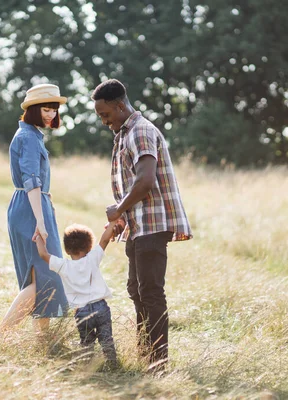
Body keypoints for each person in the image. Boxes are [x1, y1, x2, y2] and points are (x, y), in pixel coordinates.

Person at [91, 79, 193, 372]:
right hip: (139, 226)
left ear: (120, 106)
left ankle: (158, 364)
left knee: (150, 292)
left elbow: (145, 181)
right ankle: (146, 353)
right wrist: (124, 215)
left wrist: (118, 208)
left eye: (105, 114)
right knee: (136, 290)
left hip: (152, 225)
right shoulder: (125, 133)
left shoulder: (141, 131)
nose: (103, 120)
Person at [0, 83, 69, 342]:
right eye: (46, 109)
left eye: (54, 110)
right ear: (32, 109)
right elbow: (32, 180)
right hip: (31, 209)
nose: (51, 115)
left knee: (41, 275)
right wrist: (41, 221)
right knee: (44, 275)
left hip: (31, 205)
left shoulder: (30, 135)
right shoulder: (29, 138)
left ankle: (42, 340)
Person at [34, 221, 119, 368]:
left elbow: (43, 253)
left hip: (81, 312)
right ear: (89, 246)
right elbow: (105, 239)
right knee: (107, 339)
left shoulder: (62, 265)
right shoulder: (92, 259)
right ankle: (112, 364)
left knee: (86, 342)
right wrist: (112, 222)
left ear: (67, 250)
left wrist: (38, 236)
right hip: (101, 308)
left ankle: (87, 365)